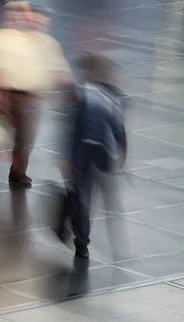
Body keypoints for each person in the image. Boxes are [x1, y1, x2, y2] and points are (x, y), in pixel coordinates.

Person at [0, 2, 70, 187]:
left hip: (32, 96)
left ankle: (19, 171)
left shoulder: (47, 42)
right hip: (4, 92)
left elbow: (58, 71)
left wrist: (61, 91)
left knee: (26, 137)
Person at [55, 52, 127, 259]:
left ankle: (82, 242)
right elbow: (120, 132)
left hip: (83, 155)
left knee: (80, 199)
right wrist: (121, 156)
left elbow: (75, 129)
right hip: (105, 156)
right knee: (107, 199)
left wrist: (69, 159)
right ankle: (117, 245)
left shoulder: (81, 94)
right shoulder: (112, 98)